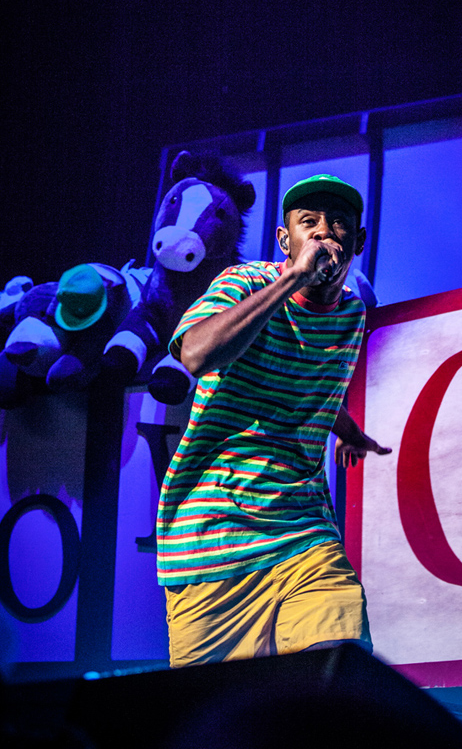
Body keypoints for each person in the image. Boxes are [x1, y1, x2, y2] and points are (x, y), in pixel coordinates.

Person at [156, 173, 391, 667]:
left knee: (337, 675)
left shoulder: (351, 314)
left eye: (339, 224)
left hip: (304, 535)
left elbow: (304, 380)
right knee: (219, 722)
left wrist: (348, 431)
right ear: (287, 241)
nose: (325, 233)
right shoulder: (244, 284)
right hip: (213, 540)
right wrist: (292, 280)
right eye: (310, 223)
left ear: (358, 242)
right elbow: (196, 354)